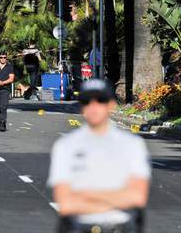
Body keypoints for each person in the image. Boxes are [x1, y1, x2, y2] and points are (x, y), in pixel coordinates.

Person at [47, 79, 151, 233]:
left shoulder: (131, 145)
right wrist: (116, 197)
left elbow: (137, 197)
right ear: (82, 107)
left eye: (101, 100)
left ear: (111, 104)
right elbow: (66, 203)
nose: (93, 107)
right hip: (79, 227)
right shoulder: (65, 146)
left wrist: (86, 196)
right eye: (87, 101)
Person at [0, 51, 15, 132]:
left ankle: (2, 122)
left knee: (3, 106)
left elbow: (11, 78)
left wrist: (3, 82)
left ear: (6, 58)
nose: (3, 59)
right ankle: (1, 119)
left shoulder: (9, 67)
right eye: (1, 57)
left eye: (4, 57)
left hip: (5, 89)